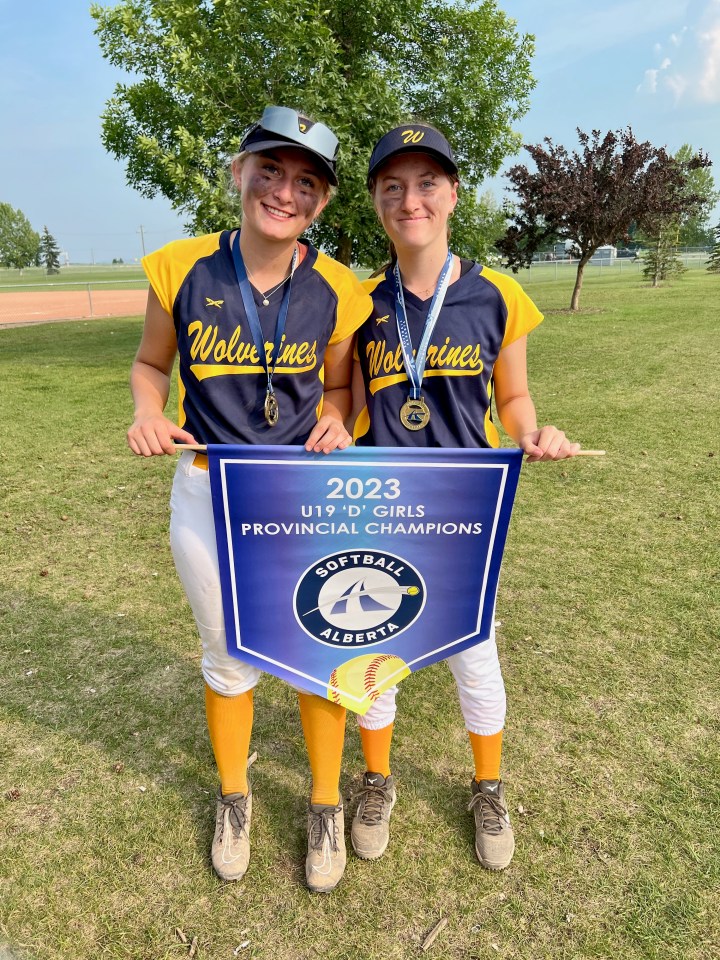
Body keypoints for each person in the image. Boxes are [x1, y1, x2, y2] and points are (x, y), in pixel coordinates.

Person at [126, 106, 372, 893]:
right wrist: (145, 409)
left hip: (302, 496)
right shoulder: (180, 267)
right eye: (269, 168)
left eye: (306, 181)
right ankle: (236, 795)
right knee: (227, 656)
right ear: (238, 171)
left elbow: (340, 386)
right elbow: (149, 365)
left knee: (321, 656)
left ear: (323, 202)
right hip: (206, 490)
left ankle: (326, 804)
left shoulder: (338, 287)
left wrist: (337, 417)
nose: (284, 191)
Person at [347, 122, 581, 870]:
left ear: (451, 194)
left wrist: (532, 434)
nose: (409, 199)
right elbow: (343, 401)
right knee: (374, 652)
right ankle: (376, 779)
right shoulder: (359, 302)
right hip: (380, 505)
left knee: (473, 655)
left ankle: (488, 787)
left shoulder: (496, 293)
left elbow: (513, 397)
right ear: (379, 203)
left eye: (425, 184)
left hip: (464, 512)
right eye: (392, 187)